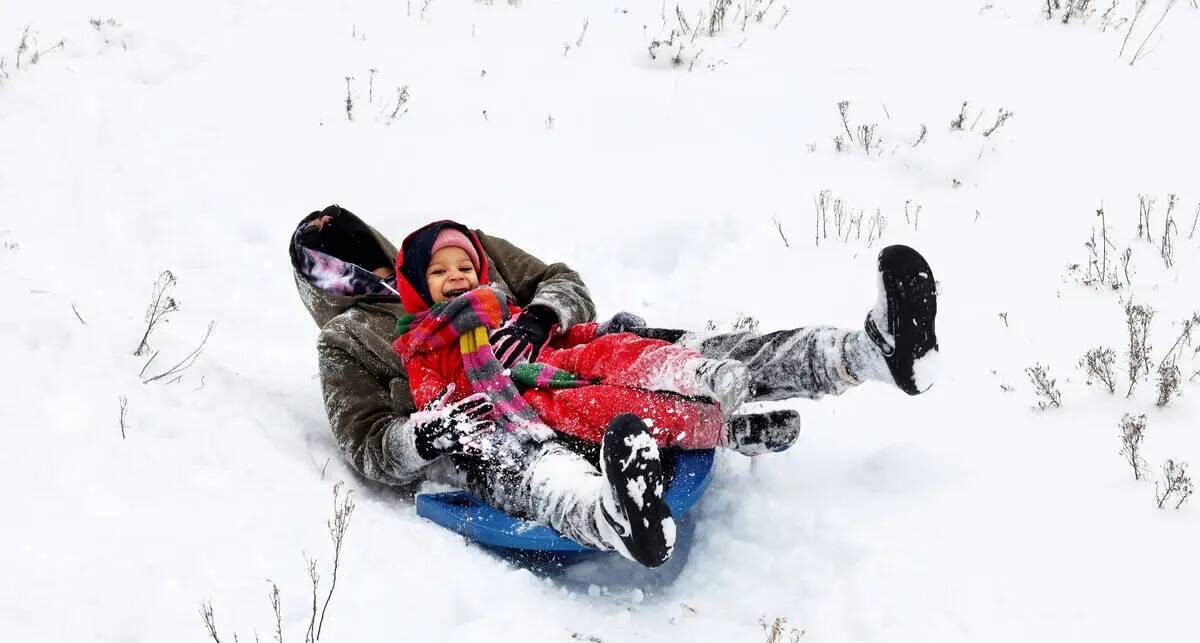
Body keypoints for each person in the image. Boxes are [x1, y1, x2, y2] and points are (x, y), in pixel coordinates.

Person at [290, 205, 939, 565]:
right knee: (522, 462)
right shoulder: (346, 342)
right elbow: (369, 447)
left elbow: (562, 280)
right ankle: (616, 517)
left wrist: (545, 315)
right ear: (318, 290)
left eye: (368, 258)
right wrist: (425, 434)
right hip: (487, 430)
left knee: (675, 352)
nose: (364, 276)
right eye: (338, 275)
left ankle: (861, 353)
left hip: (567, 364)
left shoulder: (454, 254)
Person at [391, 220, 804, 454]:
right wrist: (445, 418)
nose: (455, 277)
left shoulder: (500, 305)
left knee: (618, 351)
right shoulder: (422, 344)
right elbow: (433, 400)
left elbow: (560, 335)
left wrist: (599, 332)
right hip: (524, 397)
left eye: (464, 266)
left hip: (559, 359)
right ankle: (722, 430)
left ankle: (702, 374)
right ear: (417, 287)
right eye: (438, 271)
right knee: (612, 408)